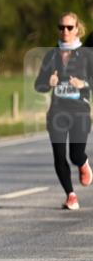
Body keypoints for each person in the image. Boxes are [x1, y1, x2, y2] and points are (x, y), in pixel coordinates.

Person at [34, 12, 93, 209]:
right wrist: (48, 82)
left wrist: (83, 84)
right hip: (57, 112)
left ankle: (83, 163)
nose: (65, 31)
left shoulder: (86, 55)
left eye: (69, 27)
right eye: (61, 27)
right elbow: (38, 85)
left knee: (75, 155)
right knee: (59, 156)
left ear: (77, 29)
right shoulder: (51, 55)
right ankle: (71, 195)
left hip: (80, 112)